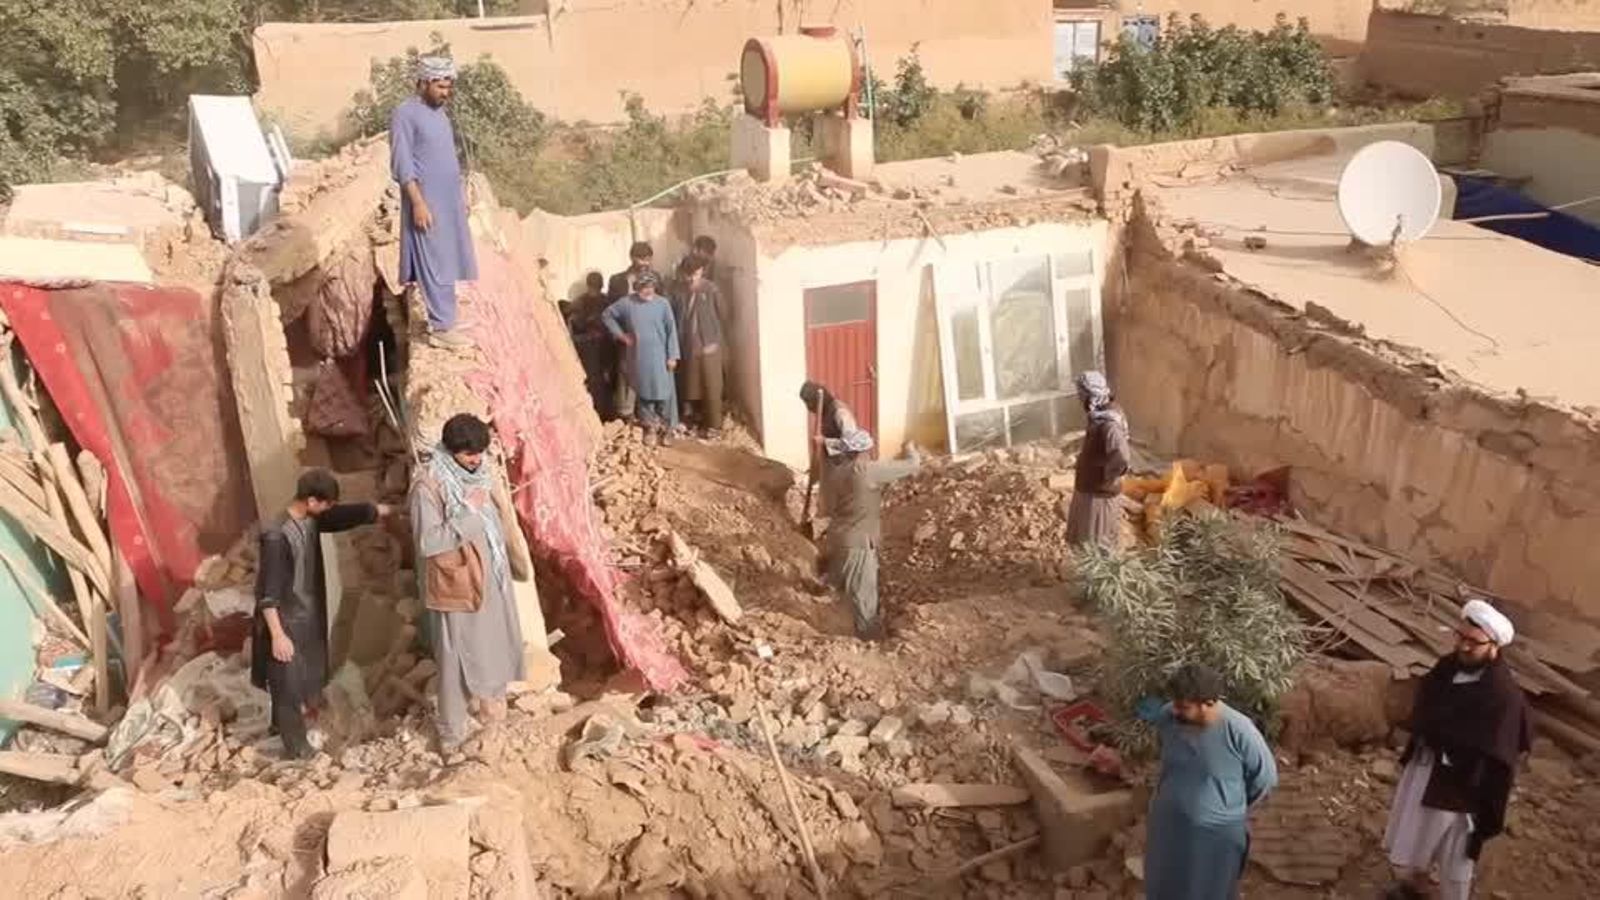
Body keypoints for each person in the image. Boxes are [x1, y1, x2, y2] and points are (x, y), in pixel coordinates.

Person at [1381, 599, 1529, 900]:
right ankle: (1414, 886)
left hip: (1463, 789)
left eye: (1472, 642)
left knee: (1455, 859)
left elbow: (1498, 750)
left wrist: (1448, 745)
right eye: (1460, 636)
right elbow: (1426, 706)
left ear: (1493, 646)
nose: (1462, 646)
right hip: (1426, 769)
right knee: (1416, 837)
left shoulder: (1502, 696)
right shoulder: (1447, 667)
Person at [411, 413, 531, 752]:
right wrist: (467, 513)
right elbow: (428, 543)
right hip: (458, 587)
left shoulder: (483, 475)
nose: (476, 460)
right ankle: (452, 732)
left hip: (490, 581)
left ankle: (492, 717)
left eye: (479, 453)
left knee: (494, 646)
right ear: (450, 452)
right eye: (468, 455)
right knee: (456, 658)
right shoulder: (429, 485)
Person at [252, 469, 390, 759]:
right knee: (287, 682)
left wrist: (374, 511)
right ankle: (297, 748)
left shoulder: (310, 518)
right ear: (312, 501)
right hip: (284, 619)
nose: (329, 509)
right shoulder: (277, 536)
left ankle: (282, 726)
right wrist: (277, 635)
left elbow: (338, 517)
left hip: (306, 615)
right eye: (327, 504)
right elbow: (268, 593)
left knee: (305, 676)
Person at [1140, 663, 1278, 900]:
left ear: (1209, 703)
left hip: (1215, 835)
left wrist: (1224, 804)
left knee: (1207, 889)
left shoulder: (1239, 730)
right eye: (1175, 703)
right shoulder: (1169, 716)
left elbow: (1264, 779)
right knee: (1164, 883)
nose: (1176, 710)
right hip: (1169, 827)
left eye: (1183, 707)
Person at [390, 56, 479, 350]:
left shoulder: (439, 113)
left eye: (448, 87)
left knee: (449, 257)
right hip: (426, 202)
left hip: (448, 201)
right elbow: (403, 164)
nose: (445, 93)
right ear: (426, 82)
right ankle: (441, 328)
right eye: (441, 86)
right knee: (434, 261)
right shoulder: (405, 113)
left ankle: (448, 319)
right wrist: (417, 202)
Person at [603, 271, 680, 445]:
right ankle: (650, 428)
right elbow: (607, 315)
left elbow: (671, 331)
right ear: (637, 288)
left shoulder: (663, 304)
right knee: (644, 393)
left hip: (661, 357)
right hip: (639, 357)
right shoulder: (627, 303)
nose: (648, 291)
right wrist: (621, 335)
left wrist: (672, 355)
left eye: (651, 287)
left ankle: (668, 429)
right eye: (644, 288)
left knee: (665, 392)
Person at [1066, 370, 1130, 551]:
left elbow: (1122, 457)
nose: (1079, 399)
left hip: (1099, 497)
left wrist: (1106, 476)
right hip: (1090, 492)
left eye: (1082, 394)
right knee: (1085, 545)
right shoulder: (1100, 416)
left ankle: (1097, 580)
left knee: (1096, 549)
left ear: (1091, 395)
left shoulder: (1109, 423)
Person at [670, 256, 726, 437]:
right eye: (688, 275)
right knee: (690, 385)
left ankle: (715, 426)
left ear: (702, 271)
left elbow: (724, 315)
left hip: (709, 346)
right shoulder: (679, 291)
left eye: (694, 274)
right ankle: (692, 420)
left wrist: (715, 340)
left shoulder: (711, 290)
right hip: (687, 344)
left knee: (712, 386)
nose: (691, 279)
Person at [607, 242, 657, 418]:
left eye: (648, 259)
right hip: (627, 335)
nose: (644, 263)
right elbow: (610, 310)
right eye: (641, 258)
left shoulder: (656, 278)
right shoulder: (617, 280)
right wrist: (619, 334)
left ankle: (647, 414)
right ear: (632, 258)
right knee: (626, 373)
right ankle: (626, 414)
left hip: (649, 336)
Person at [568, 271, 616, 420]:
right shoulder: (580, 303)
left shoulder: (607, 302)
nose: (593, 291)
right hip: (589, 349)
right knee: (594, 382)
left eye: (596, 287)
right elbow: (575, 323)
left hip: (604, 348)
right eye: (592, 287)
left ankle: (603, 414)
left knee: (604, 382)